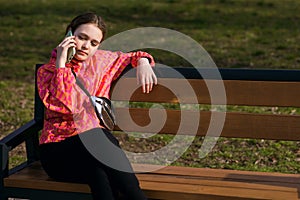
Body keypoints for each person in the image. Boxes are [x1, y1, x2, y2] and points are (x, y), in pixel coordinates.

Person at [37, 12, 157, 200]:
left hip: (94, 154)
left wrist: (143, 61)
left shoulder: (102, 62)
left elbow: (133, 56)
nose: (86, 46)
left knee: (99, 174)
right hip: (58, 153)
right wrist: (62, 64)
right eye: (82, 38)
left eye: (94, 43)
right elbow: (66, 106)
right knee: (95, 134)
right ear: (69, 34)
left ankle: (135, 195)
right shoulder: (48, 72)